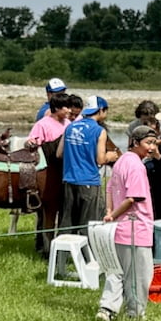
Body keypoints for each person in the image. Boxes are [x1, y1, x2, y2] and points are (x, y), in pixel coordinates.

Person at [97, 125, 159, 321]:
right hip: (136, 229)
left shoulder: (121, 160)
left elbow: (109, 189)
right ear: (134, 142)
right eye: (148, 143)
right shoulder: (137, 166)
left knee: (116, 272)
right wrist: (112, 214)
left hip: (118, 231)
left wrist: (109, 213)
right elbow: (132, 198)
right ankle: (135, 313)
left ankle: (106, 309)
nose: (151, 147)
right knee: (140, 276)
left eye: (154, 143)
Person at [56, 95, 120, 235]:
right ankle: (88, 256)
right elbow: (100, 160)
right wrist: (111, 156)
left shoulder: (70, 127)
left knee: (67, 223)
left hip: (68, 180)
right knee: (89, 224)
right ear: (101, 110)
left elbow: (59, 153)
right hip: (88, 181)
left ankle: (61, 255)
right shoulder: (99, 131)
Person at [127, 100, 161, 219]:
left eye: (151, 119)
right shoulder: (133, 126)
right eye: (144, 120)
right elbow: (130, 147)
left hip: (155, 163)